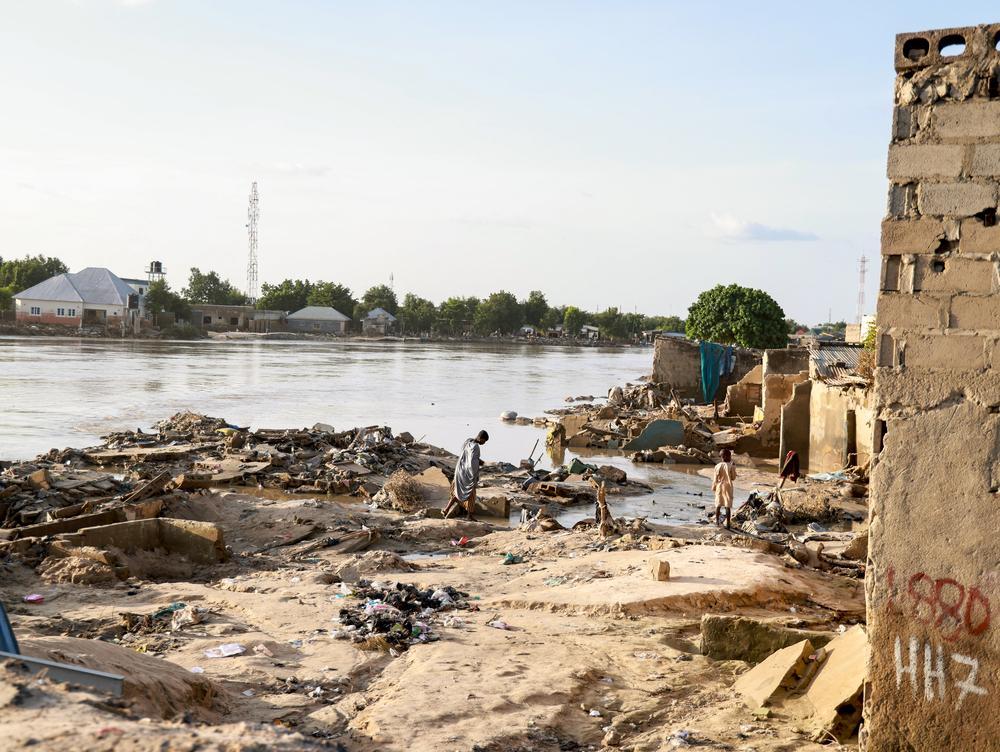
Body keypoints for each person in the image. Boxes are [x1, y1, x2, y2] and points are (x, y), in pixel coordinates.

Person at [444, 430, 489, 521]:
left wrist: (479, 460)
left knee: (457, 492)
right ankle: (469, 516)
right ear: (481, 438)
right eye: (484, 441)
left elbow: (467, 457)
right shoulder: (475, 446)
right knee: (471, 495)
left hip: (459, 471)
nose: (484, 443)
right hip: (467, 475)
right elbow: (472, 461)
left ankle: (446, 510)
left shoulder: (468, 442)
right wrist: (475, 474)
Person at [712, 448, 737, 529]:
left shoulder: (717, 466)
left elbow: (715, 479)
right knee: (727, 505)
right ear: (726, 456)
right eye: (730, 456)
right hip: (728, 486)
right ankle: (728, 524)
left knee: (718, 505)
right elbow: (733, 478)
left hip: (719, 486)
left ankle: (717, 522)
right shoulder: (731, 466)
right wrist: (734, 467)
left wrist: (714, 487)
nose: (730, 458)